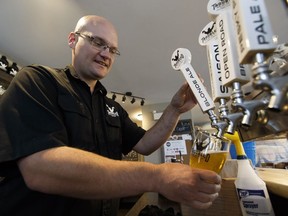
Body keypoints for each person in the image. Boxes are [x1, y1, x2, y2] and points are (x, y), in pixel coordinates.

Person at [0, 15, 221, 216]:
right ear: (72, 40)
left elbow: (145, 143)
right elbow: (40, 169)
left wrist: (175, 109)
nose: (106, 54)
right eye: (97, 42)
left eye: (112, 49)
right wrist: (158, 176)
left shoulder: (112, 107)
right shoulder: (38, 81)